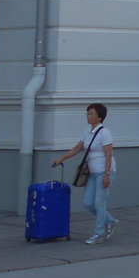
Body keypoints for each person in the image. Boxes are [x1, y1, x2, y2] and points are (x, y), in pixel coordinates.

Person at [53, 103, 118, 245]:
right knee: (88, 203)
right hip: (92, 173)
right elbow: (77, 148)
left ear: (100, 117)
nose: (88, 117)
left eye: (91, 114)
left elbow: (108, 155)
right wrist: (60, 159)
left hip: (104, 171)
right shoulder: (88, 131)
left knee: (99, 203)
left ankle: (98, 234)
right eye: (88, 114)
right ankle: (110, 221)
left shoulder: (104, 133)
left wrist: (107, 175)